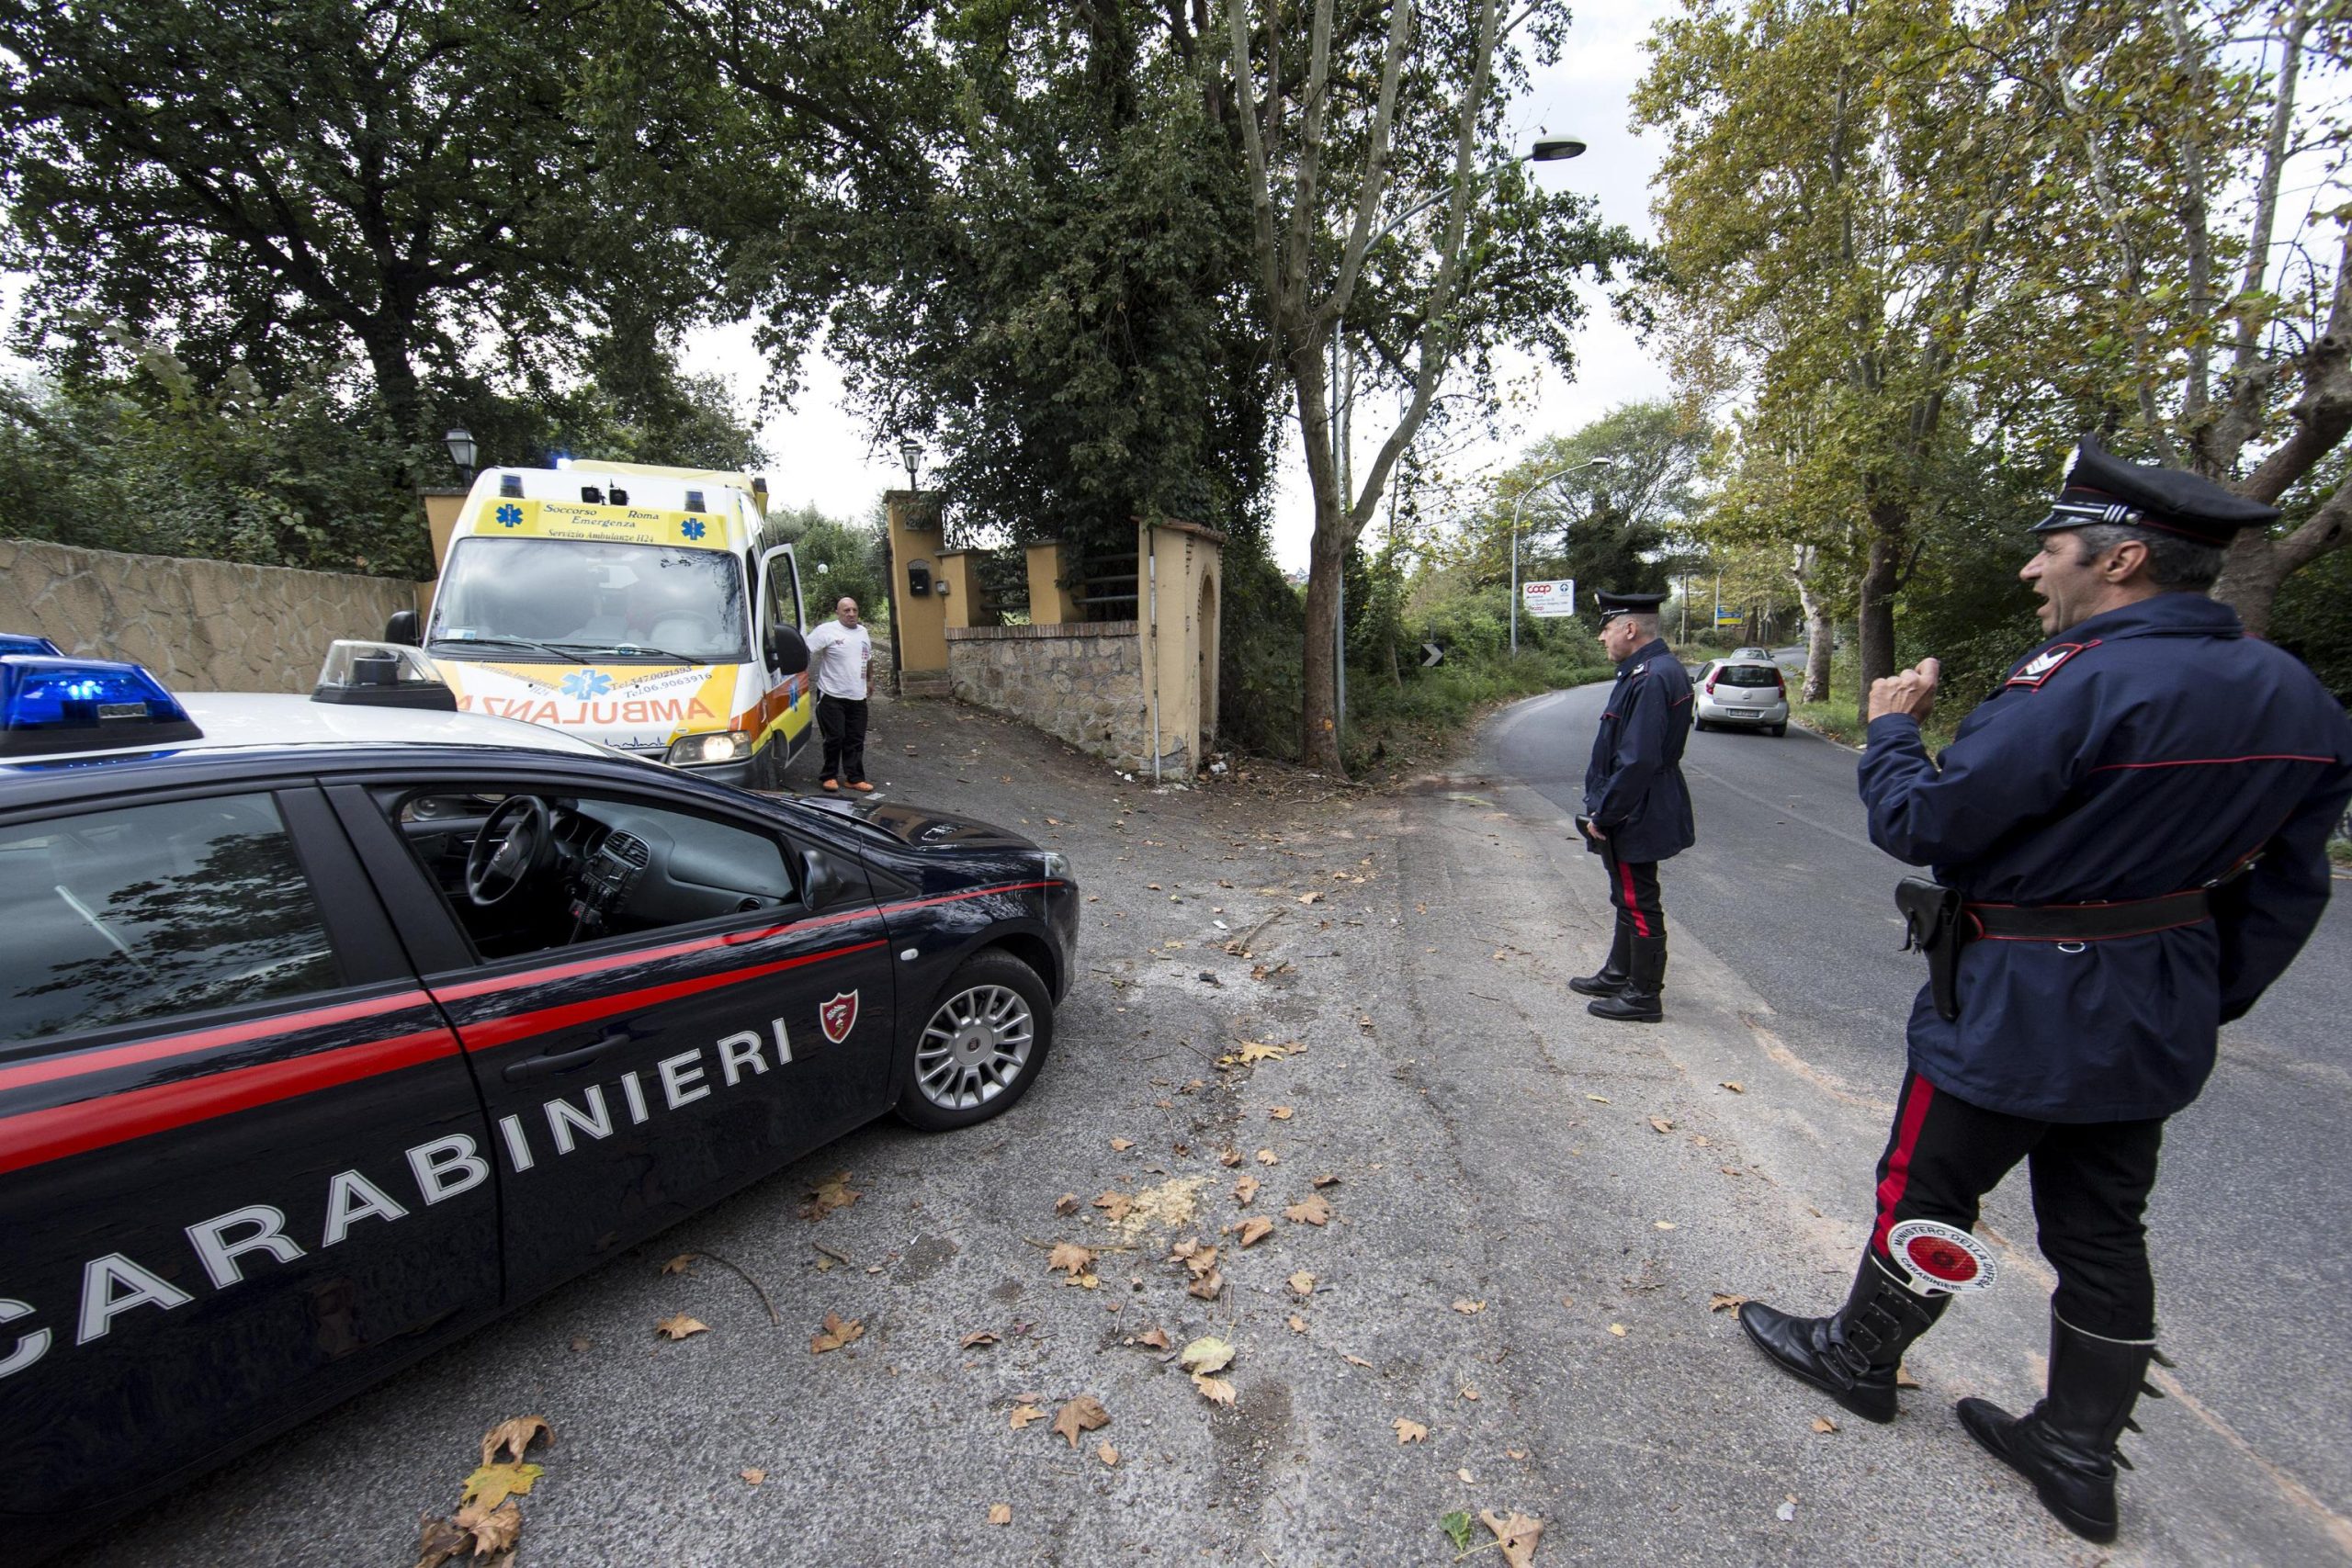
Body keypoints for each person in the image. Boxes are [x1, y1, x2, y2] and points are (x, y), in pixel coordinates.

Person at [1738, 439, 2352, 1544]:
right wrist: (2201, 991)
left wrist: (1889, 730)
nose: (2033, 572)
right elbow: (2291, 885)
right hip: (2156, 1006)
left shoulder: (2080, 679)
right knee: (2104, 1230)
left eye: (2051, 550)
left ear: (2120, 561)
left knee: (1926, 1187)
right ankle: (2075, 1451)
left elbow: (1927, 823)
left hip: (2016, 1001)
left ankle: (1858, 1356)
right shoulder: (2295, 696)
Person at [1570, 590, 1695, 1022]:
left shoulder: (1651, 677)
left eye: (1606, 629)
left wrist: (1607, 813)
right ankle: (1619, 972)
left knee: (1639, 899)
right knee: (1627, 894)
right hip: (1640, 802)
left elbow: (1638, 758)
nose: (1602, 638)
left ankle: (1643, 995)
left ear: (1630, 628)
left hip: (1636, 806)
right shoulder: (1650, 671)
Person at [804, 597, 874, 793]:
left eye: (854, 610)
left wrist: (870, 679)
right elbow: (804, 650)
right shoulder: (827, 630)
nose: (851, 614)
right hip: (831, 694)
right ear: (838, 612)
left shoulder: (863, 632)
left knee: (856, 738)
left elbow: (867, 658)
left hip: (857, 696)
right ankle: (829, 776)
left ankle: (854, 778)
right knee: (835, 737)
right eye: (846, 610)